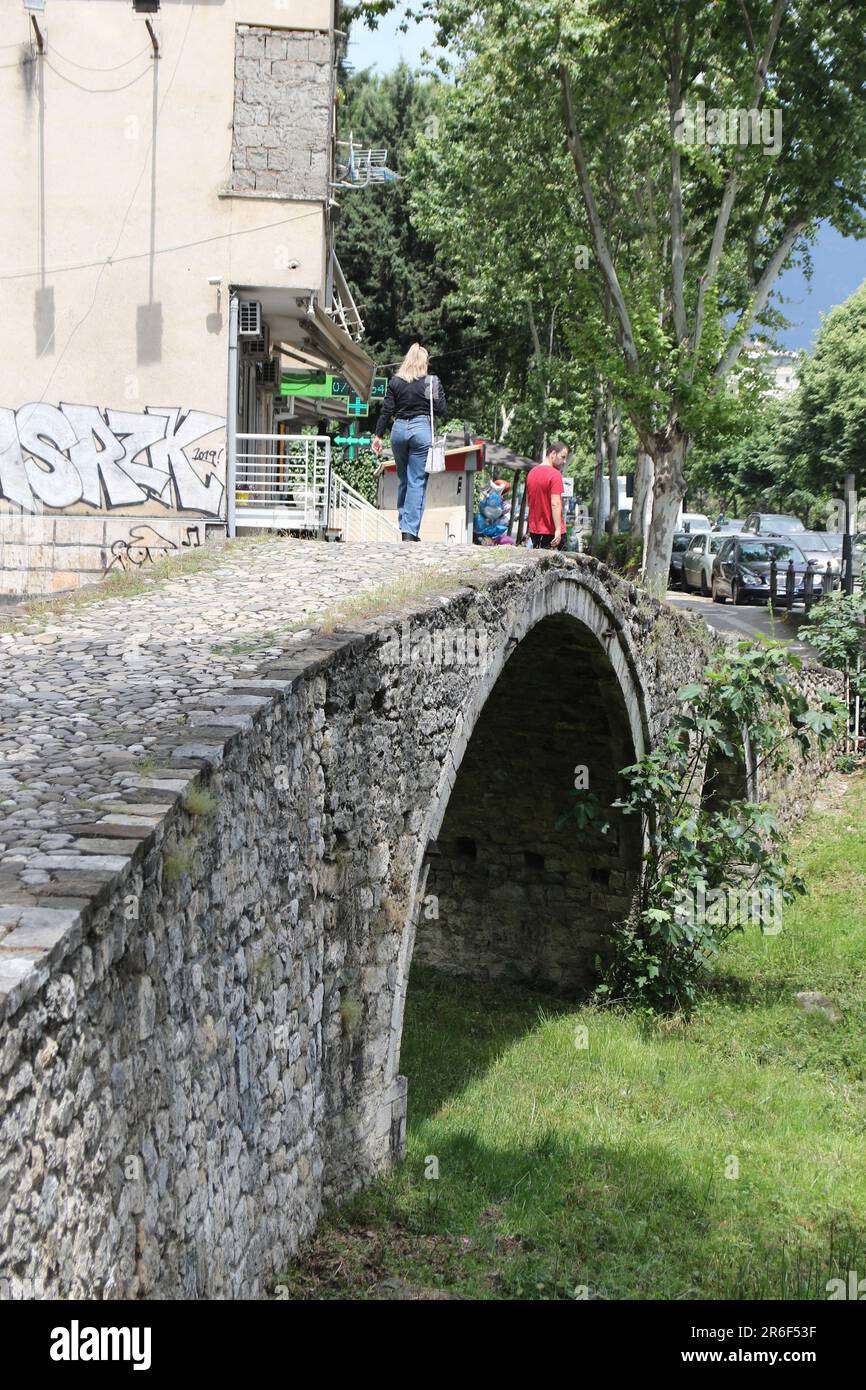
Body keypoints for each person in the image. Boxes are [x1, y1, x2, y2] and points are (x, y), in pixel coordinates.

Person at [371, 344, 446, 542]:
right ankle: (409, 532)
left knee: (404, 480)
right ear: (424, 363)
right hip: (421, 430)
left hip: (398, 431)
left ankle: (405, 526)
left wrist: (378, 436)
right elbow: (440, 409)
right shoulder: (431, 381)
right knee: (416, 482)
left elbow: (387, 411)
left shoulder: (395, 381)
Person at [526, 441, 569, 548]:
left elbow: (529, 502)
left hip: (535, 532)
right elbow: (555, 504)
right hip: (552, 533)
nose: (564, 461)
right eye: (563, 457)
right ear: (553, 454)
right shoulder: (555, 474)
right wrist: (558, 529)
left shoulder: (531, 473)